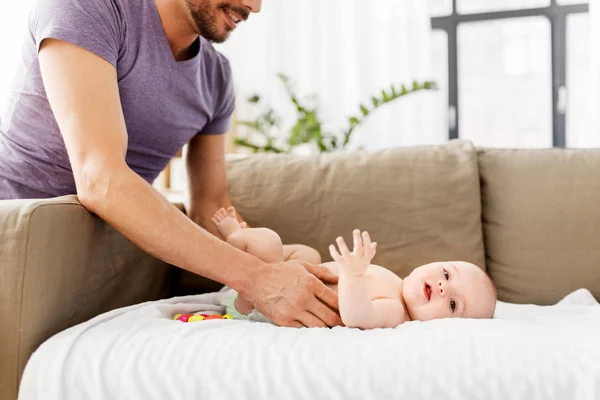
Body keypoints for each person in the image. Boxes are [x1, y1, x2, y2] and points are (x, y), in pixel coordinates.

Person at [0, 0, 341, 328]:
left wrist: (278, 262)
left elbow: (210, 207)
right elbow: (100, 180)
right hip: (17, 239)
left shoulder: (215, 77)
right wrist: (256, 277)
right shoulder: (88, 8)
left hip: (98, 265)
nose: (255, 6)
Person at [213, 207, 497, 328]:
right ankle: (248, 247)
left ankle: (239, 241)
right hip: (278, 282)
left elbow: (359, 317)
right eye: (447, 274)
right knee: (307, 253)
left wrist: (353, 276)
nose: (443, 286)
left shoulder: (396, 312)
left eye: (451, 304)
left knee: (271, 244)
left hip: (262, 303)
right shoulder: (395, 284)